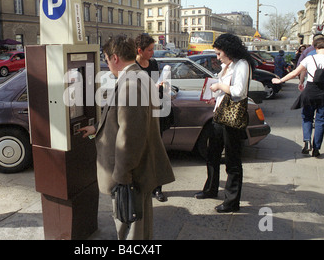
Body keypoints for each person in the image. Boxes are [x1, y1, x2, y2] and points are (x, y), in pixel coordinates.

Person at [79, 35, 175, 240]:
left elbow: (131, 136)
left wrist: (122, 177)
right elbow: (124, 120)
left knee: (130, 228)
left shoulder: (131, 83)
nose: (107, 64)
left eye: (106, 59)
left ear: (115, 58)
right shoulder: (138, 77)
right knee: (137, 224)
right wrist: (96, 128)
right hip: (134, 170)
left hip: (129, 174)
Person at [194, 33, 255, 213]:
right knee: (212, 154)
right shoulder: (228, 66)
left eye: (219, 53)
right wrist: (215, 96)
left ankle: (232, 201)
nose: (217, 57)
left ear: (229, 51)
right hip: (220, 115)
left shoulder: (242, 65)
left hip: (232, 119)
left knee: (232, 160)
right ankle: (211, 189)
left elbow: (239, 92)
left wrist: (219, 87)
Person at [272, 38, 324, 157]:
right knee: (321, 121)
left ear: (315, 47)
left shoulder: (309, 59)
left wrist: (280, 80)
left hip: (310, 91)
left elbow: (295, 73)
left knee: (307, 117)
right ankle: (316, 148)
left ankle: (307, 141)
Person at [135, 33, 168, 203]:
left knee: (157, 150)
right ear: (139, 50)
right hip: (139, 115)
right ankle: (143, 186)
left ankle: (157, 188)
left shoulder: (153, 64)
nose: (152, 53)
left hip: (155, 113)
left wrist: (161, 86)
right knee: (141, 152)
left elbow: (158, 88)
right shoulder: (132, 67)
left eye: (153, 49)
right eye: (149, 50)